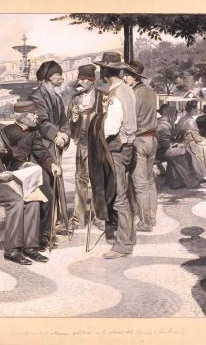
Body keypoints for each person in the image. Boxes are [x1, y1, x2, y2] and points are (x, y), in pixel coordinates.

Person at [0, 100, 61, 265]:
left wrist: (23, 165)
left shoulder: (3, 140)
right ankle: (12, 249)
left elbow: (13, 160)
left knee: (33, 198)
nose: (5, 151)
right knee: (17, 200)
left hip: (4, 180)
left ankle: (31, 246)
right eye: (4, 148)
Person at [93, 52, 137, 259]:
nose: (100, 72)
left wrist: (96, 125)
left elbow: (110, 127)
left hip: (117, 148)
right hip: (128, 147)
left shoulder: (115, 94)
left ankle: (123, 244)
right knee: (124, 193)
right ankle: (126, 237)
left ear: (106, 71)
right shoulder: (128, 89)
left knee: (119, 197)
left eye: (102, 69)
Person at [29, 60, 70, 238]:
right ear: (48, 77)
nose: (61, 78)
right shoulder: (37, 97)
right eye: (57, 75)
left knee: (55, 183)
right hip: (40, 149)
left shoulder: (57, 97)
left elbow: (64, 121)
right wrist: (57, 135)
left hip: (55, 146)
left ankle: (56, 222)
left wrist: (65, 135)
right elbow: (41, 122)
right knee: (44, 186)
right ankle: (45, 228)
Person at [66, 64, 104, 231]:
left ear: (92, 81)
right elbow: (69, 125)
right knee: (80, 180)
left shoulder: (102, 96)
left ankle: (99, 217)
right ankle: (78, 218)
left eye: (84, 80)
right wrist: (73, 119)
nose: (80, 82)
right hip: (82, 143)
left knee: (97, 180)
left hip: (97, 144)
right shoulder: (75, 98)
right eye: (79, 79)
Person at [122, 60, 158, 232]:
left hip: (139, 141)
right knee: (150, 182)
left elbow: (130, 118)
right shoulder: (150, 91)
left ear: (133, 77)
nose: (124, 78)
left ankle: (145, 222)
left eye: (126, 75)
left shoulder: (132, 93)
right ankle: (152, 217)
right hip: (152, 140)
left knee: (140, 184)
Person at [156, 103, 203, 189]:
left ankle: (175, 181)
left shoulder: (165, 123)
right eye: (175, 116)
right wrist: (177, 144)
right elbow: (165, 143)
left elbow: (169, 139)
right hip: (160, 151)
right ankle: (189, 182)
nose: (175, 118)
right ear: (170, 115)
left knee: (185, 152)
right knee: (184, 154)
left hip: (163, 149)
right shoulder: (163, 126)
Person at [175, 100, 206, 180]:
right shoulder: (190, 121)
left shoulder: (182, 118)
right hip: (188, 143)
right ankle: (199, 176)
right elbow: (195, 136)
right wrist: (203, 138)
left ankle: (198, 176)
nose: (197, 110)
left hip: (182, 141)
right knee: (202, 149)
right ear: (190, 110)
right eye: (195, 109)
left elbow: (177, 131)